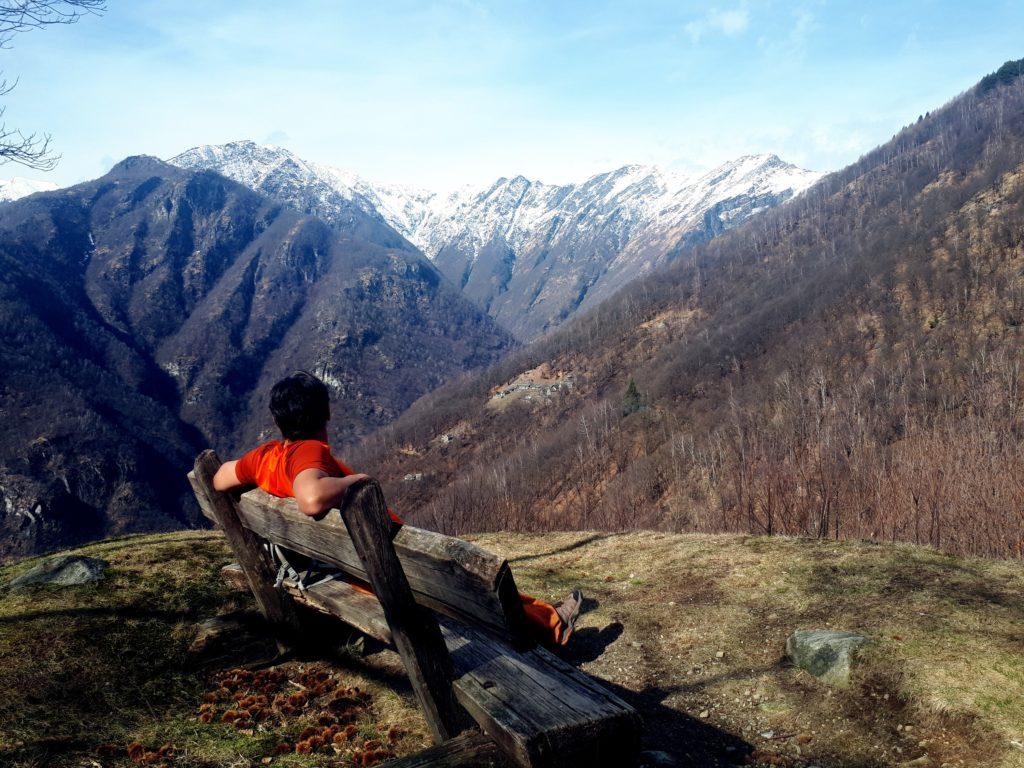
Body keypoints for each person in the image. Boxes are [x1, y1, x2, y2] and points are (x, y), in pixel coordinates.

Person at [213, 370, 583, 647]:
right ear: (325, 413)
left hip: (335, 566)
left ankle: (544, 616)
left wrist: (252, 473)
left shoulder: (264, 457)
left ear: (278, 420)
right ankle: (552, 625)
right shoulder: (310, 452)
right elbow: (310, 498)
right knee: (468, 582)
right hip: (379, 572)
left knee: (446, 576)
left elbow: (218, 479)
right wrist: (355, 481)